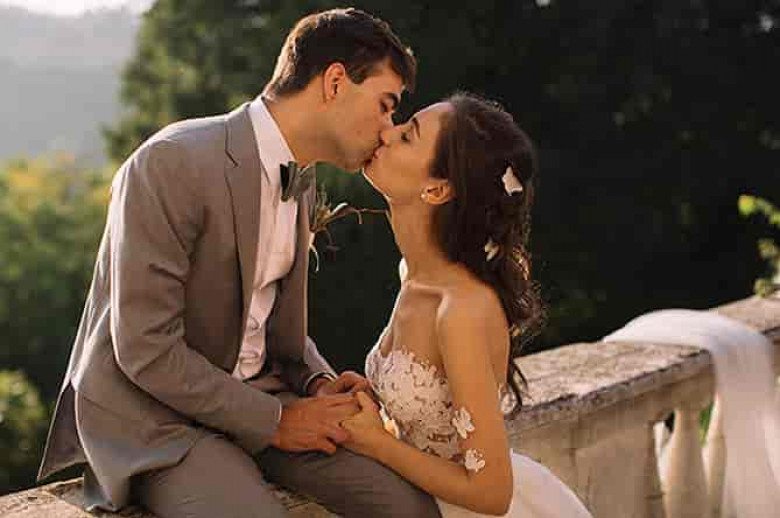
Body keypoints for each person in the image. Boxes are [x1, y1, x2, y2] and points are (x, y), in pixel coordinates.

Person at [36, 8, 443, 518]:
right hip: (161, 417)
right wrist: (277, 422)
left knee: (410, 507)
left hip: (265, 396)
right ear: (336, 82)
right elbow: (145, 347)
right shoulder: (171, 162)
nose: (388, 131)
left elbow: (262, 318)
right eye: (386, 106)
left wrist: (317, 382)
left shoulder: (301, 179)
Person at [343, 92, 595, 517]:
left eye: (407, 136)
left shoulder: (460, 310)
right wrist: (374, 398)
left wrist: (377, 443)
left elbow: (491, 493)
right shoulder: (413, 275)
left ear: (437, 189)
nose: (386, 132)